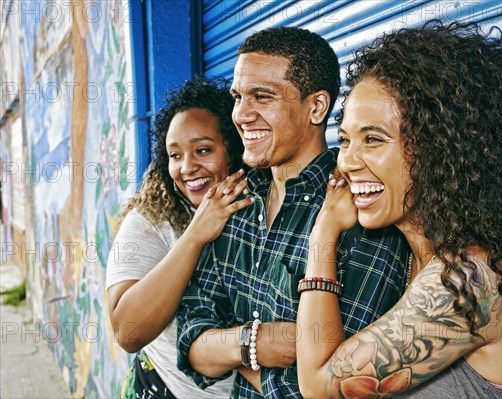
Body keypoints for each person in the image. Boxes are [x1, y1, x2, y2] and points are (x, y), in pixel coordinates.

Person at [296, 20, 502, 398]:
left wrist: (322, 233)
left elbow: (316, 386)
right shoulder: (406, 253)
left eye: (373, 139)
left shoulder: (472, 279)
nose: (346, 161)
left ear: (439, 149)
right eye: (344, 140)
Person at [176, 27, 410, 398]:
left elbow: (336, 385)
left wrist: (230, 352)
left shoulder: (360, 210)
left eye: (262, 97)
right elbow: (190, 341)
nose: (240, 114)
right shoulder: (234, 200)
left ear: (316, 107)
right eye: (238, 97)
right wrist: (257, 342)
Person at [106, 77, 253, 398]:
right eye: (175, 155)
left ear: (233, 145)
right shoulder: (150, 220)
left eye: (203, 150)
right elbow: (127, 332)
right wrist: (194, 236)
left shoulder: (261, 207)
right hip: (165, 390)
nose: (187, 167)